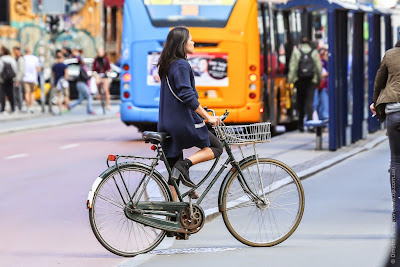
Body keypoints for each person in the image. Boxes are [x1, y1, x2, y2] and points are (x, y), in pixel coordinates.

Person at [157, 26, 223, 201]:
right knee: (217, 147)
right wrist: (207, 116)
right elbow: (187, 95)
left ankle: (174, 221)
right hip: (181, 123)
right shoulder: (180, 65)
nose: (193, 42)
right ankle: (185, 165)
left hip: (167, 122)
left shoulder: (167, 65)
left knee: (173, 173)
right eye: (191, 39)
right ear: (182, 43)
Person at [370, 41, 400, 267]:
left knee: (396, 161)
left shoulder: (390, 55)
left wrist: (375, 104)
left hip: (394, 114)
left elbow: (378, 82)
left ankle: (396, 207)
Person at [288, 36, 322, 131]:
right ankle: (310, 124)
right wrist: (319, 80)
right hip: (311, 81)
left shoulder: (296, 52)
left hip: (299, 80)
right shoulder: (314, 52)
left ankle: (300, 125)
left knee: (300, 102)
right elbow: (319, 67)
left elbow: (293, 67)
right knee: (309, 102)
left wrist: (290, 81)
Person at [0, 46, 18, 114]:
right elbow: (15, 69)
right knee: (11, 94)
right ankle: (13, 108)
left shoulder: (1, 59)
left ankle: (3, 109)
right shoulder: (11, 59)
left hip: (3, 79)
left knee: (3, 94)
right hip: (10, 79)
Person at [22, 47, 40, 113]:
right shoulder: (35, 58)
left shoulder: (23, 58)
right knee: (32, 93)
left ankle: (28, 107)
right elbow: (37, 69)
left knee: (26, 93)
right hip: (33, 78)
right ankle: (32, 106)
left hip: (25, 78)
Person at [313, 48, 329, 121]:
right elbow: (321, 74)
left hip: (323, 86)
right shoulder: (321, 63)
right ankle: (323, 120)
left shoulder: (327, 63)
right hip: (322, 86)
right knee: (321, 105)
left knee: (321, 105)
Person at [12, 46, 25, 112]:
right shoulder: (16, 58)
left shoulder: (20, 59)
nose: (14, 52)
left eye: (15, 51)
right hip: (15, 78)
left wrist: (17, 79)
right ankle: (17, 106)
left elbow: (21, 70)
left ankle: (20, 107)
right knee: (15, 93)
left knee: (18, 93)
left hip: (18, 79)